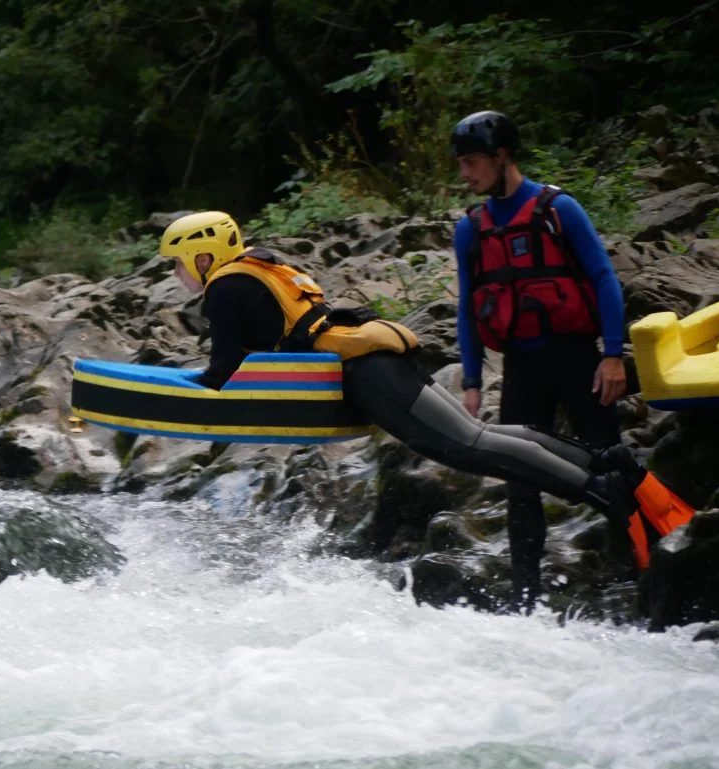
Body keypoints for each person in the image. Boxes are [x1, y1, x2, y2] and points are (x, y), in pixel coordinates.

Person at [159, 210, 678, 613]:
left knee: (469, 447)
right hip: (379, 358)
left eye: (178, 264)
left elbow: (221, 372)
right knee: (478, 433)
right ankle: (603, 462)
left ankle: (600, 490)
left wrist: (169, 393)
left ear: (204, 257)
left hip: (368, 374)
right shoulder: (259, 266)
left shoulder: (224, 288)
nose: (176, 275)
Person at [450, 110, 635, 608]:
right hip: (522, 370)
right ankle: (525, 597)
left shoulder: (559, 209)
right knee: (520, 482)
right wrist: (472, 383)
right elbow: (467, 309)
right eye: (461, 164)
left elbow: (603, 278)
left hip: (578, 361)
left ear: (501, 156)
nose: (465, 174)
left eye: (472, 162)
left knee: (611, 465)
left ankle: (642, 569)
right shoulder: (470, 230)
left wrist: (612, 356)